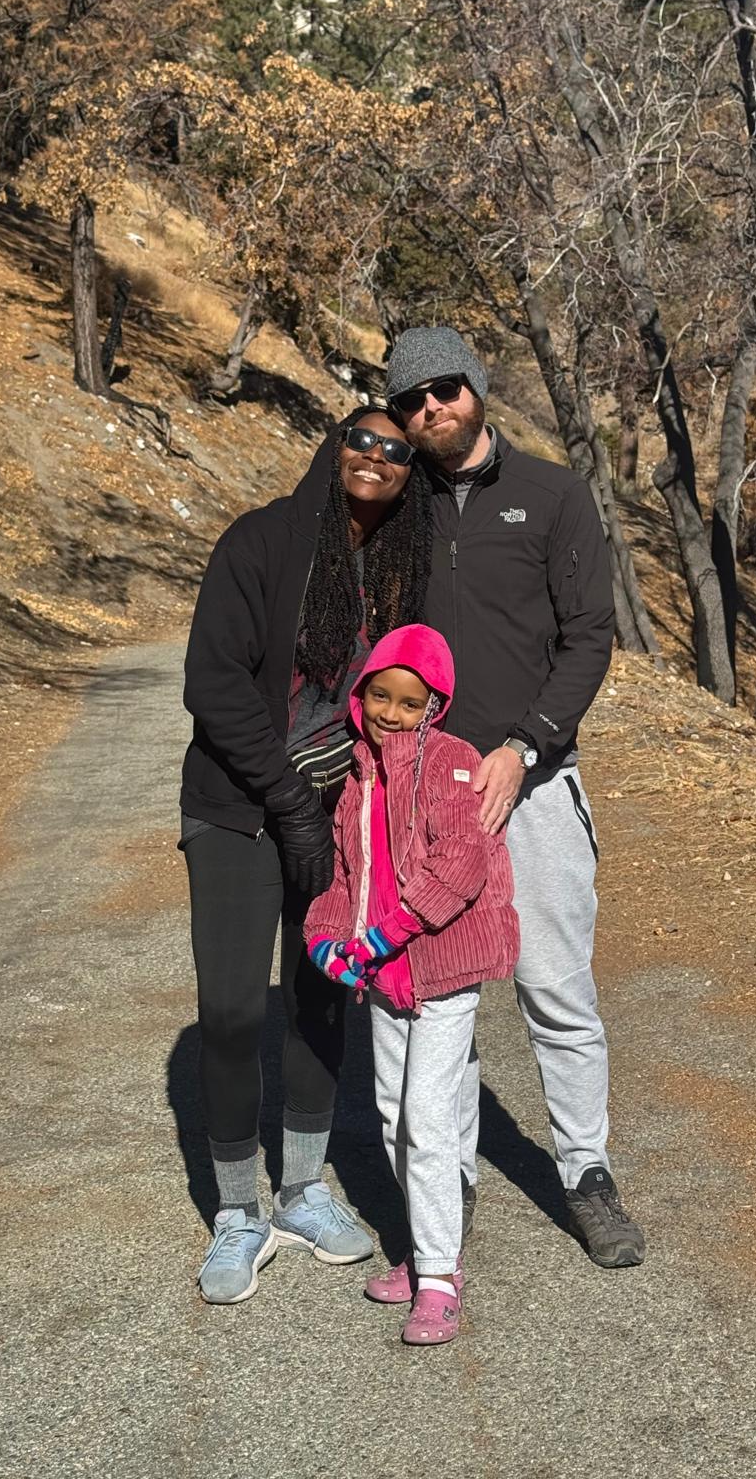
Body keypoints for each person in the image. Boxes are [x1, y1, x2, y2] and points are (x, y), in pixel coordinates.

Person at [382, 326, 646, 1268]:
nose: (431, 409)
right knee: (437, 992)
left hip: (529, 787)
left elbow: (588, 639)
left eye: (446, 388)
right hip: (424, 793)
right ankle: (445, 1176)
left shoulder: (553, 496)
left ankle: (587, 1174)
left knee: (555, 989)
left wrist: (524, 747)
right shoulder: (400, 504)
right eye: (411, 400)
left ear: (476, 387)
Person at [179, 409, 433, 1304]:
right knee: (233, 1008)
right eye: (361, 440)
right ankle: (238, 1213)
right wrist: (287, 801)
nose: (376, 457)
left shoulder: (404, 567)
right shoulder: (261, 543)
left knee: (324, 994)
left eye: (397, 450)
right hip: (239, 810)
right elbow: (210, 683)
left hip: (347, 817)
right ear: (332, 449)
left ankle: (301, 1189)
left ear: (411, 472)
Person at [305, 624, 519, 1345]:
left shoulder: (452, 763)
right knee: (395, 1115)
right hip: (382, 975)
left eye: (410, 700)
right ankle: (432, 1245)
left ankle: (438, 1278)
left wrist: (391, 930)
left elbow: (463, 860)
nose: (392, 712)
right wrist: (326, 943)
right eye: (380, 696)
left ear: (436, 704)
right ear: (361, 694)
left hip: (443, 966)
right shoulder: (355, 783)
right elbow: (343, 879)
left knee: (426, 1118)